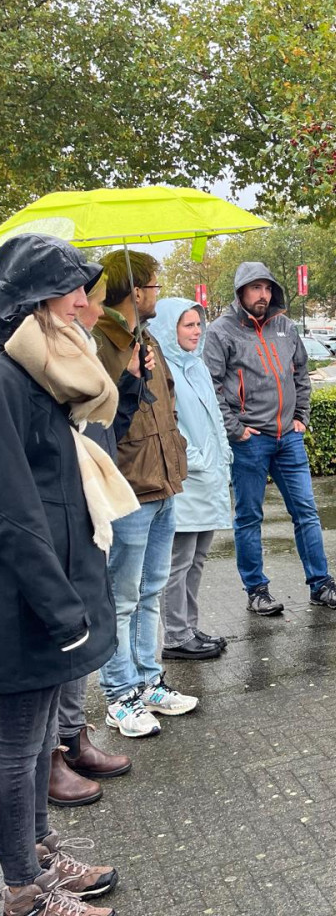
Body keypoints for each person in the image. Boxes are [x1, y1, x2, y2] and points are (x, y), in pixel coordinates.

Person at [0, 234, 134, 916]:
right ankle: (22, 888)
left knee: (38, 737)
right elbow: (14, 511)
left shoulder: (43, 371)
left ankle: (39, 850)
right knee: (19, 748)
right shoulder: (6, 378)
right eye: (73, 288)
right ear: (35, 298)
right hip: (24, 601)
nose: (86, 301)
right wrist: (61, 605)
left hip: (53, 591)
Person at [203, 262, 336, 615]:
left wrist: (302, 417)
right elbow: (211, 385)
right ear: (241, 291)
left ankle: (321, 584)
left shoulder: (285, 327)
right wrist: (235, 430)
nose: (263, 295)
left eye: (267, 288)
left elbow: (301, 374)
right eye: (255, 288)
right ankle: (256, 590)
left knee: (306, 512)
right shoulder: (221, 332)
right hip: (249, 441)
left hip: (289, 439)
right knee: (249, 517)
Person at [47, 275, 144, 808]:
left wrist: (128, 385)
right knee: (61, 630)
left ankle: (72, 736)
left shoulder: (82, 348)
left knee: (82, 623)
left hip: (87, 508)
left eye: (94, 293)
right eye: (79, 293)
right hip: (58, 513)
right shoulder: (33, 362)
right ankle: (55, 752)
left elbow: (109, 427)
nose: (89, 303)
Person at [93, 250, 196, 737]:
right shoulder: (102, 340)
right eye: (153, 285)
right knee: (122, 595)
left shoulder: (145, 336)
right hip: (129, 486)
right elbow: (94, 415)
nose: (158, 292)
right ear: (136, 291)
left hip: (162, 483)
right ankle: (118, 693)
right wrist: (125, 373)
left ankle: (147, 680)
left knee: (151, 588)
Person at [149, 299, 231, 661]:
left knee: (197, 559)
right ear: (170, 327)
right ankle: (176, 636)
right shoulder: (163, 370)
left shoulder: (195, 366)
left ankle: (189, 627)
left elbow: (213, 418)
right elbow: (171, 426)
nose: (197, 332)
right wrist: (197, 463)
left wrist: (223, 456)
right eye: (188, 325)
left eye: (199, 325)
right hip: (187, 480)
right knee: (178, 561)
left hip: (208, 477)